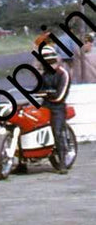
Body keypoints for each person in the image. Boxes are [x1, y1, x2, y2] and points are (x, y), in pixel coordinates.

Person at [36, 44, 72, 173]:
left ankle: (62, 162)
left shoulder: (63, 74)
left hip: (58, 108)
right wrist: (45, 93)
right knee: (31, 126)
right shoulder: (43, 74)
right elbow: (38, 91)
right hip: (45, 106)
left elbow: (60, 96)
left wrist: (46, 94)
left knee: (57, 132)